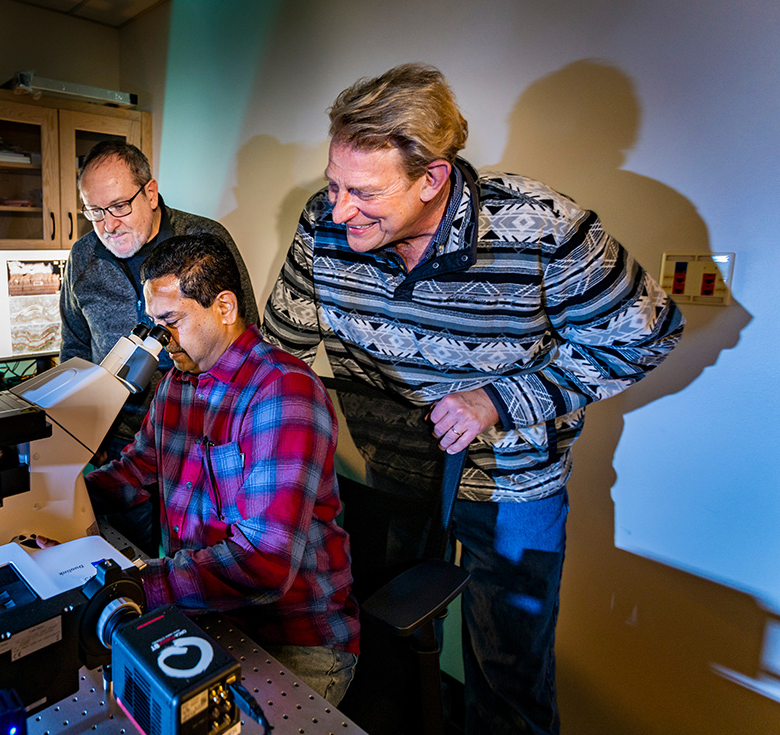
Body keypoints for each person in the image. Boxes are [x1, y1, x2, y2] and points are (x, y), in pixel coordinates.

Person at [262, 64, 684, 734]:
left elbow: (648, 335)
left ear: (432, 178)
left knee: (506, 672)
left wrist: (499, 398)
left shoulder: (541, 227)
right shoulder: (325, 224)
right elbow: (276, 347)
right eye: (332, 183)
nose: (338, 210)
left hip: (512, 485)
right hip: (397, 471)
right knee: (389, 642)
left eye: (363, 192)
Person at [83, 233, 359, 705]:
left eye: (171, 321)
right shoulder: (175, 383)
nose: (159, 340)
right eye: (153, 323)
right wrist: (50, 502)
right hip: (204, 613)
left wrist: (142, 585)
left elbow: (266, 563)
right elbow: (134, 471)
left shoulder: (282, 391)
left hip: (289, 637)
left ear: (225, 307)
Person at [61, 141, 257, 553]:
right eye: (94, 212)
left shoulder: (203, 240)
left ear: (150, 193)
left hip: (198, 435)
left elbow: (243, 333)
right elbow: (75, 345)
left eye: (118, 206)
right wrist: (79, 439)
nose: (108, 224)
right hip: (119, 439)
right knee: (131, 552)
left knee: (199, 551)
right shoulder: (82, 258)